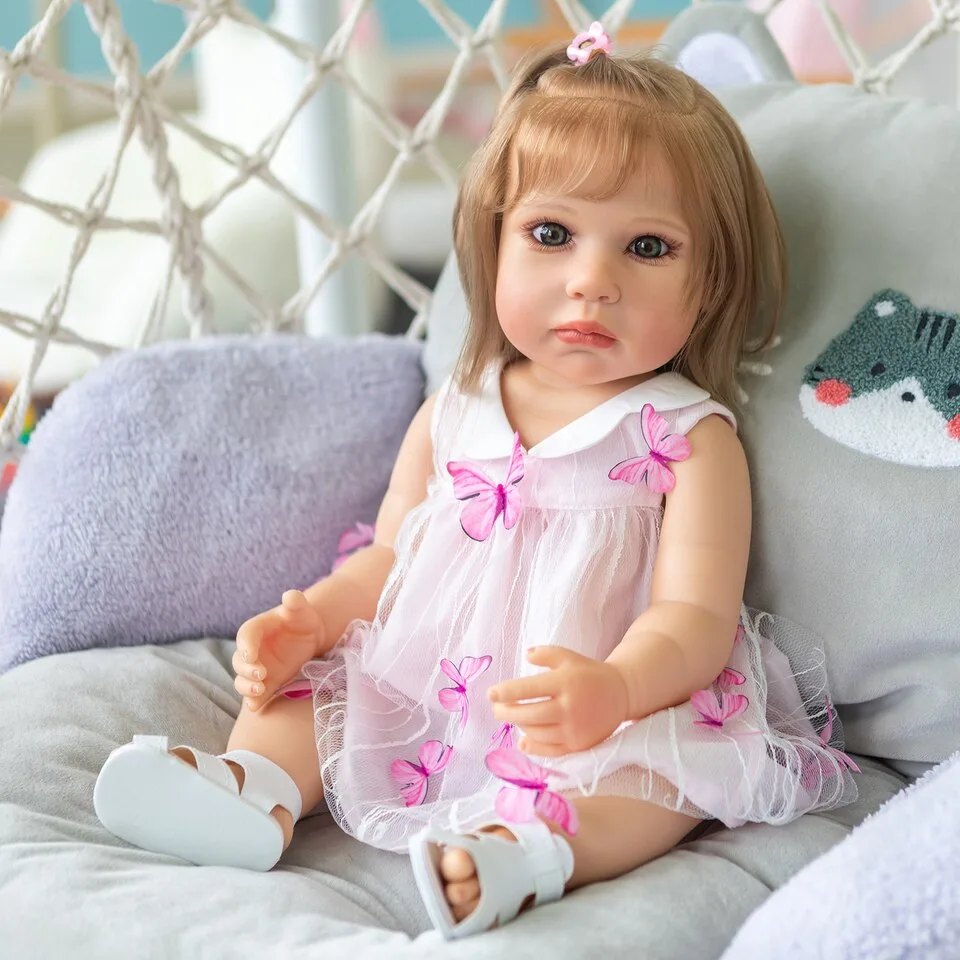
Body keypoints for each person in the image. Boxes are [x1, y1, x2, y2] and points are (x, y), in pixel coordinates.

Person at [94, 21, 858, 941]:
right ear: (493, 246)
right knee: (309, 693)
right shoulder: (456, 410)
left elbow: (694, 618)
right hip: (432, 685)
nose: (592, 281)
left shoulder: (688, 438)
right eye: (551, 234)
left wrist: (617, 689)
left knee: (656, 784)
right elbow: (392, 559)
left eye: (648, 248)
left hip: (597, 705)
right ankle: (248, 789)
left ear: (712, 283)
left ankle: (530, 853)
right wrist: (316, 618)